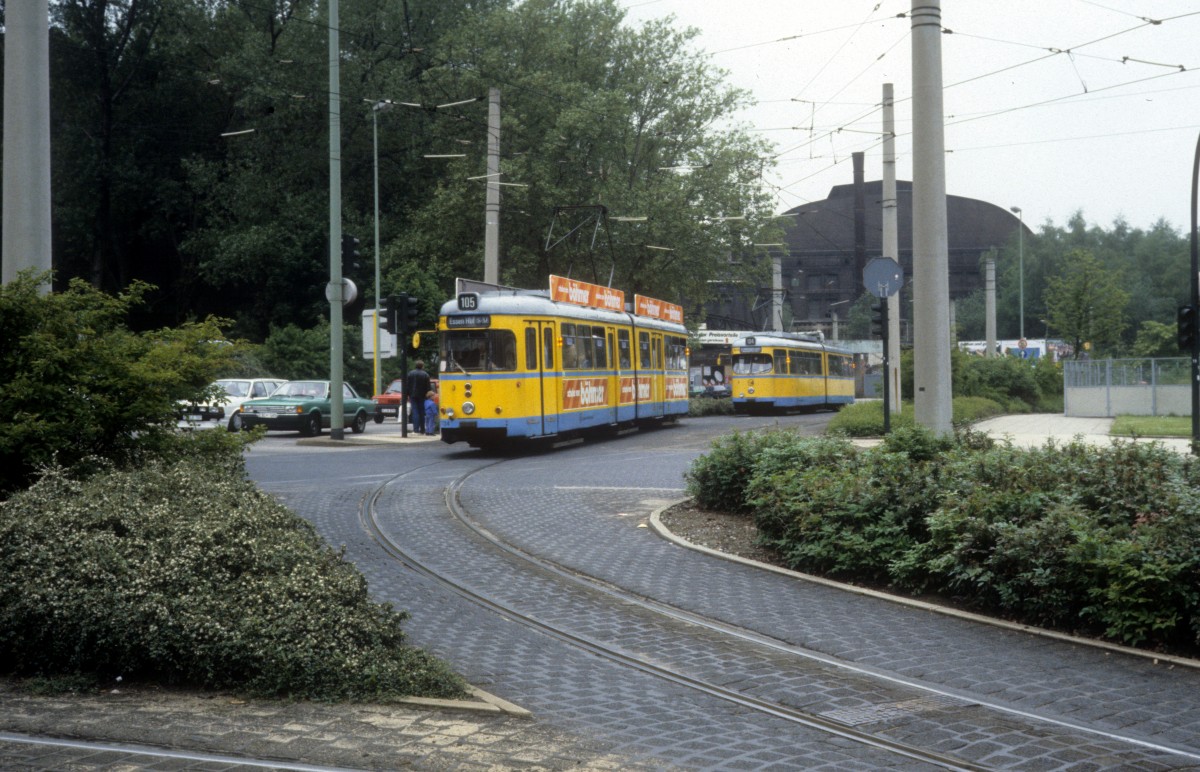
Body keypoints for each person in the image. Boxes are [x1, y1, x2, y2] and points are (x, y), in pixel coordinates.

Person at [406, 360, 431, 434]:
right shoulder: (425, 374)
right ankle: (422, 429)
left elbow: (407, 385)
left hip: (412, 395)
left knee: (415, 411)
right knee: (422, 412)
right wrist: (427, 395)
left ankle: (415, 429)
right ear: (422, 366)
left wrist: (407, 394)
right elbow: (428, 387)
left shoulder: (410, 373)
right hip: (422, 395)